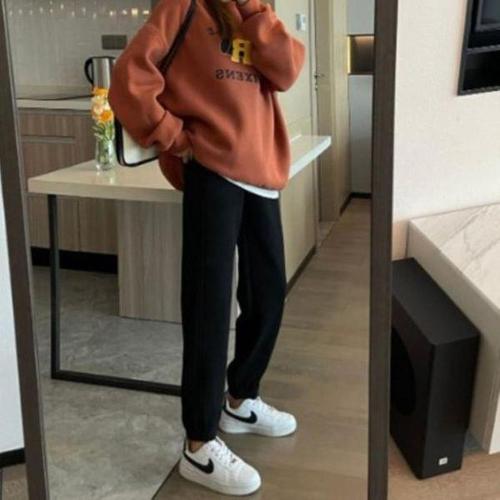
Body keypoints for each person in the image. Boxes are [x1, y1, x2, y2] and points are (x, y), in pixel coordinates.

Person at [108, 0, 305, 495]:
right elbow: (129, 78)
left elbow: (286, 71)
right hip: (212, 169)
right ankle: (198, 444)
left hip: (262, 172)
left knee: (268, 295)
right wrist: (174, 136)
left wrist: (254, 10)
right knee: (208, 307)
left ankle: (241, 400)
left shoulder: (257, 9)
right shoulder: (184, 6)